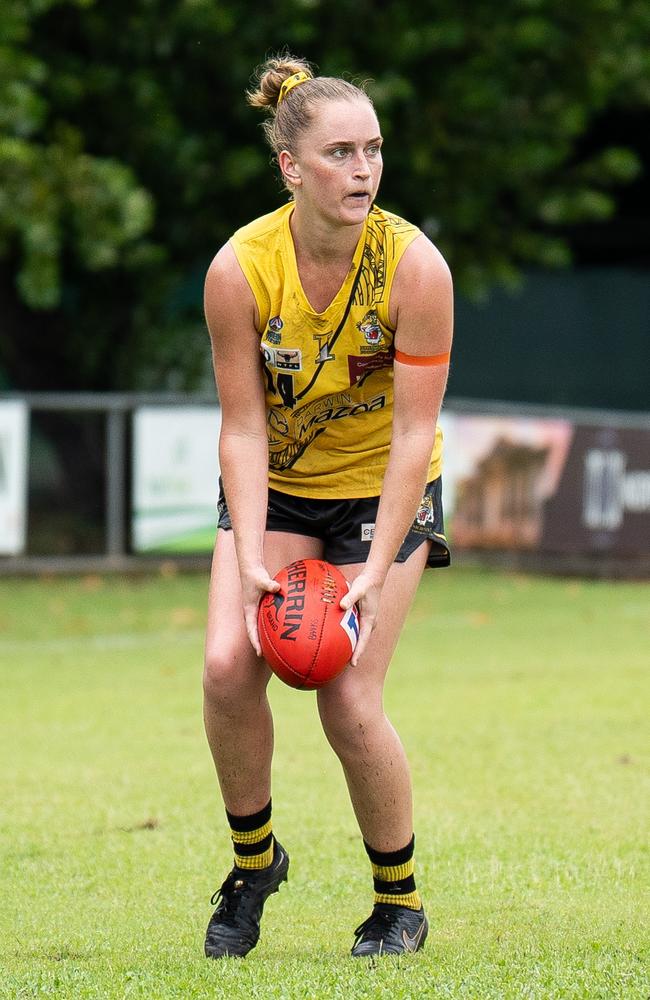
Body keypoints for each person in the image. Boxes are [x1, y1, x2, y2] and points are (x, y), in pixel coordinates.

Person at [202, 53, 453, 960]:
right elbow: (241, 428)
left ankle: (398, 903)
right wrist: (248, 555)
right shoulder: (239, 268)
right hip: (280, 481)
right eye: (341, 152)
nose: (363, 170)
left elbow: (411, 438)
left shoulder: (416, 267)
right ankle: (254, 863)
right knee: (230, 663)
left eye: (374, 151)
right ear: (290, 167)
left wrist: (376, 575)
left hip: (383, 489)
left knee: (346, 693)